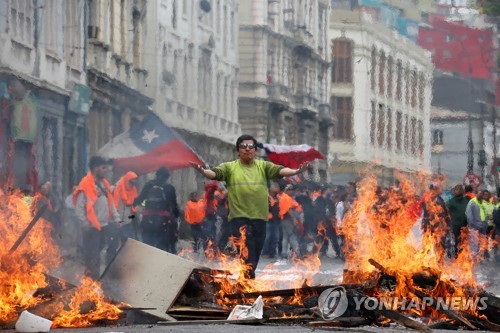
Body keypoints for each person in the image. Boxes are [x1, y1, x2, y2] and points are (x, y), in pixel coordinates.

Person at [190, 134, 310, 278]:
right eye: (243, 147)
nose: (247, 149)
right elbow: (214, 174)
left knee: (256, 252)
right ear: (237, 151)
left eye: (250, 147)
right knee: (246, 251)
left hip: (260, 218)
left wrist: (296, 171)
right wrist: (203, 171)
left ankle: (247, 277)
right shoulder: (230, 167)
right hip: (239, 219)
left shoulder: (263, 166)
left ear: (255, 151)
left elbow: (281, 171)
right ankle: (247, 279)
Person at [73, 156, 121, 279]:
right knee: (92, 256)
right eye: (103, 167)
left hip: (103, 225)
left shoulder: (104, 184)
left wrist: (116, 218)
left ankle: (92, 279)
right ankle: (91, 283)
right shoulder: (86, 184)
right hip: (91, 227)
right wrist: (84, 223)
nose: (106, 170)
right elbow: (79, 206)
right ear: (95, 168)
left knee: (98, 254)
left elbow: (110, 202)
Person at [134, 167, 179, 253]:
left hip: (148, 219)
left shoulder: (148, 185)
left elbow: (140, 199)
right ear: (167, 177)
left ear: (156, 175)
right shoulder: (169, 188)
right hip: (163, 220)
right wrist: (176, 216)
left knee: (147, 244)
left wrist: (133, 203)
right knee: (161, 245)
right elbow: (174, 204)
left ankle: (147, 261)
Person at [113, 171, 139, 245]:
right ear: (127, 180)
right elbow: (112, 205)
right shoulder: (116, 188)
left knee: (127, 244)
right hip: (116, 221)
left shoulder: (133, 191)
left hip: (127, 222)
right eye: (131, 183)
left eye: (134, 184)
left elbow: (135, 205)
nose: (132, 185)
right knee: (113, 245)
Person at [445, 184, 470, 257]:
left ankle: (461, 254)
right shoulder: (450, 202)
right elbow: (445, 212)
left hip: (464, 224)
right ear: (454, 191)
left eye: (460, 189)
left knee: (463, 240)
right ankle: (454, 254)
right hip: (454, 224)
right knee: (455, 240)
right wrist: (448, 223)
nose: (458, 191)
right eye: (456, 189)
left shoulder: (466, 200)